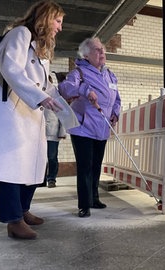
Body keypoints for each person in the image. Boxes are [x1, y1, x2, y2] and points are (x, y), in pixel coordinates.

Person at [0, 0, 65, 239]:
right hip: (10, 112)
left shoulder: (41, 50)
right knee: (12, 167)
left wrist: (63, 101)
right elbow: (11, 69)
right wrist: (40, 97)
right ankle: (13, 220)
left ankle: (23, 210)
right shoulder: (19, 34)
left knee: (35, 164)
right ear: (46, 17)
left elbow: (45, 85)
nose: (60, 28)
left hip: (30, 114)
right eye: (58, 21)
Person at [58, 37, 121, 218]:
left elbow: (116, 98)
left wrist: (115, 113)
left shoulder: (109, 74)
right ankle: (84, 204)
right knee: (85, 167)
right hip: (83, 127)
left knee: (96, 166)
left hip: (102, 127)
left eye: (103, 49)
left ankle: (94, 197)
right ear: (86, 55)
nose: (102, 53)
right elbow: (65, 88)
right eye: (97, 50)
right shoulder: (79, 72)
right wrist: (85, 90)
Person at [44, 94, 66, 188]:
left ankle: (51, 179)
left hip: (52, 133)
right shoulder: (36, 96)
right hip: (38, 134)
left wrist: (62, 132)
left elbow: (62, 117)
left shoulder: (56, 99)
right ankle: (41, 180)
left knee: (52, 157)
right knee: (40, 158)